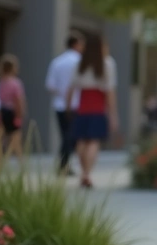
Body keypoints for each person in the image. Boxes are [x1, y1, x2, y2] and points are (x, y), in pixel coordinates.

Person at [64, 33, 117, 189]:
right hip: (98, 107)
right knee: (93, 141)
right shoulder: (106, 64)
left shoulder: (80, 63)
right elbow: (110, 91)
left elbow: (71, 88)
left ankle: (84, 172)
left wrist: (68, 106)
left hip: (82, 106)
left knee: (81, 141)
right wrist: (113, 114)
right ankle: (87, 173)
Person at [46, 34, 82, 175]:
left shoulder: (57, 62)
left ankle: (64, 164)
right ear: (76, 44)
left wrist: (62, 93)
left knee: (65, 135)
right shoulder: (80, 61)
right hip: (76, 104)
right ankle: (63, 164)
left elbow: (50, 85)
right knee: (71, 136)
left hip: (59, 104)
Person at [0, 55, 27, 163]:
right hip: (12, 112)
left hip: (1, 113)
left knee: (1, 140)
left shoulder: (0, 82)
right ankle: (22, 164)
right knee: (16, 140)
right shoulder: (15, 83)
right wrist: (20, 115)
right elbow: (18, 100)